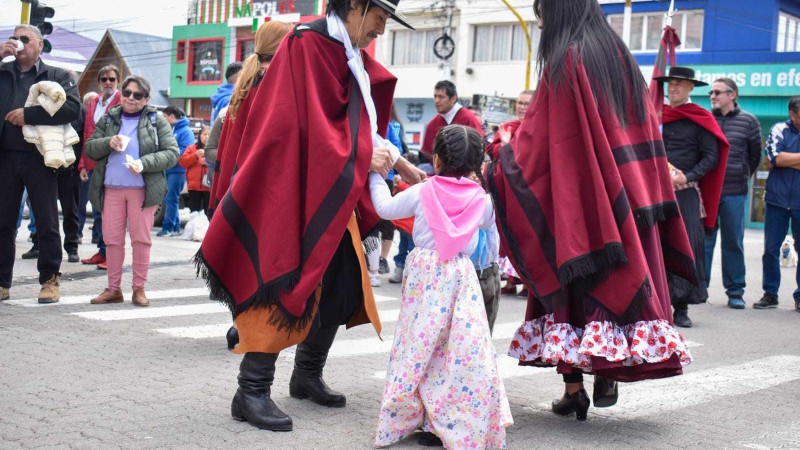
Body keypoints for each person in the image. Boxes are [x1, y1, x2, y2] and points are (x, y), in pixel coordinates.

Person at [194, 0, 425, 432]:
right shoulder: (306, 43)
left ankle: (306, 374)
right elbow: (289, 125)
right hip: (292, 188)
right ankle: (251, 391)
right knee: (282, 281)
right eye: (380, 16)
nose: (383, 27)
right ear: (356, 5)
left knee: (339, 283)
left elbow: (353, 121)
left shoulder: (346, 50)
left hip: (332, 190)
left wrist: (398, 161)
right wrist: (361, 152)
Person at [490, 0, 698, 421]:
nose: (542, 23)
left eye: (543, 14)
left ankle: (574, 389)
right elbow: (640, 127)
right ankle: (609, 371)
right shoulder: (619, 53)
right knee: (618, 281)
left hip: (581, 199)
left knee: (568, 282)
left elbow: (542, 141)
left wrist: (501, 160)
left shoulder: (566, 57)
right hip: (630, 195)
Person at [373, 125, 512, 448]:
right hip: (462, 278)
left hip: (425, 278)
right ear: (477, 165)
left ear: (435, 160)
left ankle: (413, 414)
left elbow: (384, 208)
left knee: (419, 348)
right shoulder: (482, 201)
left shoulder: (423, 191)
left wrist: (375, 176)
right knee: (457, 350)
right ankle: (451, 418)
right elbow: (489, 222)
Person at [0, 25, 81, 303]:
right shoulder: (3, 71)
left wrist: (29, 115)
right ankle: (1, 283)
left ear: (40, 45)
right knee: (3, 223)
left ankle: (49, 281)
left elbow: (72, 109)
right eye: (15, 38)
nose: (18, 43)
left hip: (41, 159)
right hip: (6, 158)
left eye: (25, 39)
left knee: (46, 222)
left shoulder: (56, 75)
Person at [84, 75, 179, 307]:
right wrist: (108, 142)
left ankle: (139, 288)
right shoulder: (109, 118)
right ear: (121, 94)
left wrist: (144, 163)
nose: (131, 98)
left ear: (146, 99)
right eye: (127, 93)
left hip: (142, 191)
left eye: (137, 95)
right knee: (112, 241)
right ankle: (113, 289)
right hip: (112, 189)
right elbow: (89, 148)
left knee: (141, 241)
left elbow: (172, 153)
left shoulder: (157, 120)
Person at [657, 66, 729, 328]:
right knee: (655, 246)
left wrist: (686, 177)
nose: (673, 88)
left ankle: (682, 307)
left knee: (685, 245)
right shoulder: (656, 116)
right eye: (670, 84)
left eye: (679, 84)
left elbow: (711, 157)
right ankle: (655, 304)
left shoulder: (701, 118)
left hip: (685, 192)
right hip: (655, 191)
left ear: (690, 88)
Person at [704, 78, 762, 309]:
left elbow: (755, 157)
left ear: (733, 95)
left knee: (733, 243)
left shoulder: (749, 121)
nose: (713, 96)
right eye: (711, 92)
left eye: (718, 92)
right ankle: (699, 289)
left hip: (734, 192)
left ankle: (735, 292)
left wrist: (741, 174)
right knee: (705, 241)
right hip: (709, 192)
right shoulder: (706, 120)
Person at [487, 89, 534, 298]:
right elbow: (492, 150)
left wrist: (508, 145)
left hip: (527, 189)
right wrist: (504, 145)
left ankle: (526, 283)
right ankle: (508, 279)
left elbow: (530, 156)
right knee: (505, 232)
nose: (522, 106)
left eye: (527, 103)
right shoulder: (509, 126)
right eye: (520, 102)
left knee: (526, 235)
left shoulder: (537, 127)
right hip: (505, 187)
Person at [757, 96, 800, 313]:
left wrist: (788, 160)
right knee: (771, 250)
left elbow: (784, 159)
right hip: (777, 200)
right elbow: (775, 157)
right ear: (792, 113)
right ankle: (770, 294)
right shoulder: (779, 129)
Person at [80, 65, 122, 270]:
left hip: (114, 162)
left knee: (111, 211)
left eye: (112, 79)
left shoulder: (123, 100)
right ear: (99, 82)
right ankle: (102, 250)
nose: (108, 82)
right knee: (97, 209)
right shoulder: (94, 102)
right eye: (104, 79)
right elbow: (87, 134)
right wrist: (82, 164)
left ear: (117, 81)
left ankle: (112, 255)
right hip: (94, 163)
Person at [419, 80, 483, 162]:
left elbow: (479, 149)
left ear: (453, 98)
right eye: (435, 96)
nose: (437, 101)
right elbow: (427, 154)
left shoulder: (469, 119)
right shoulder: (432, 124)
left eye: (441, 97)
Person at [159, 106, 195, 237]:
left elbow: (185, 151)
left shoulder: (185, 132)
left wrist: (167, 155)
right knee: (170, 199)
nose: (163, 120)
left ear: (172, 117)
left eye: (164, 117)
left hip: (178, 170)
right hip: (168, 169)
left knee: (171, 198)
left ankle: (168, 228)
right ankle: (175, 227)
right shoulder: (171, 130)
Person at [179, 125, 211, 215]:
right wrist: (195, 155)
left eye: (209, 134)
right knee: (194, 213)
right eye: (204, 134)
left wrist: (209, 163)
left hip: (209, 187)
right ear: (200, 136)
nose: (207, 137)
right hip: (194, 186)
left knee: (208, 213)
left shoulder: (215, 149)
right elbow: (183, 163)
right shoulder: (192, 148)